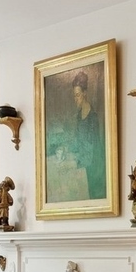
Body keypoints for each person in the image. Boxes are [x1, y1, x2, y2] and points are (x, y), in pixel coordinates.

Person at [56, 70, 106, 200]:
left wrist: (72, 164)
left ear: (85, 93)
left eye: (78, 95)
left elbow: (90, 152)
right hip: (85, 166)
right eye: (74, 95)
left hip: (95, 168)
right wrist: (65, 148)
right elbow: (79, 141)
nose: (75, 99)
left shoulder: (92, 118)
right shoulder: (79, 115)